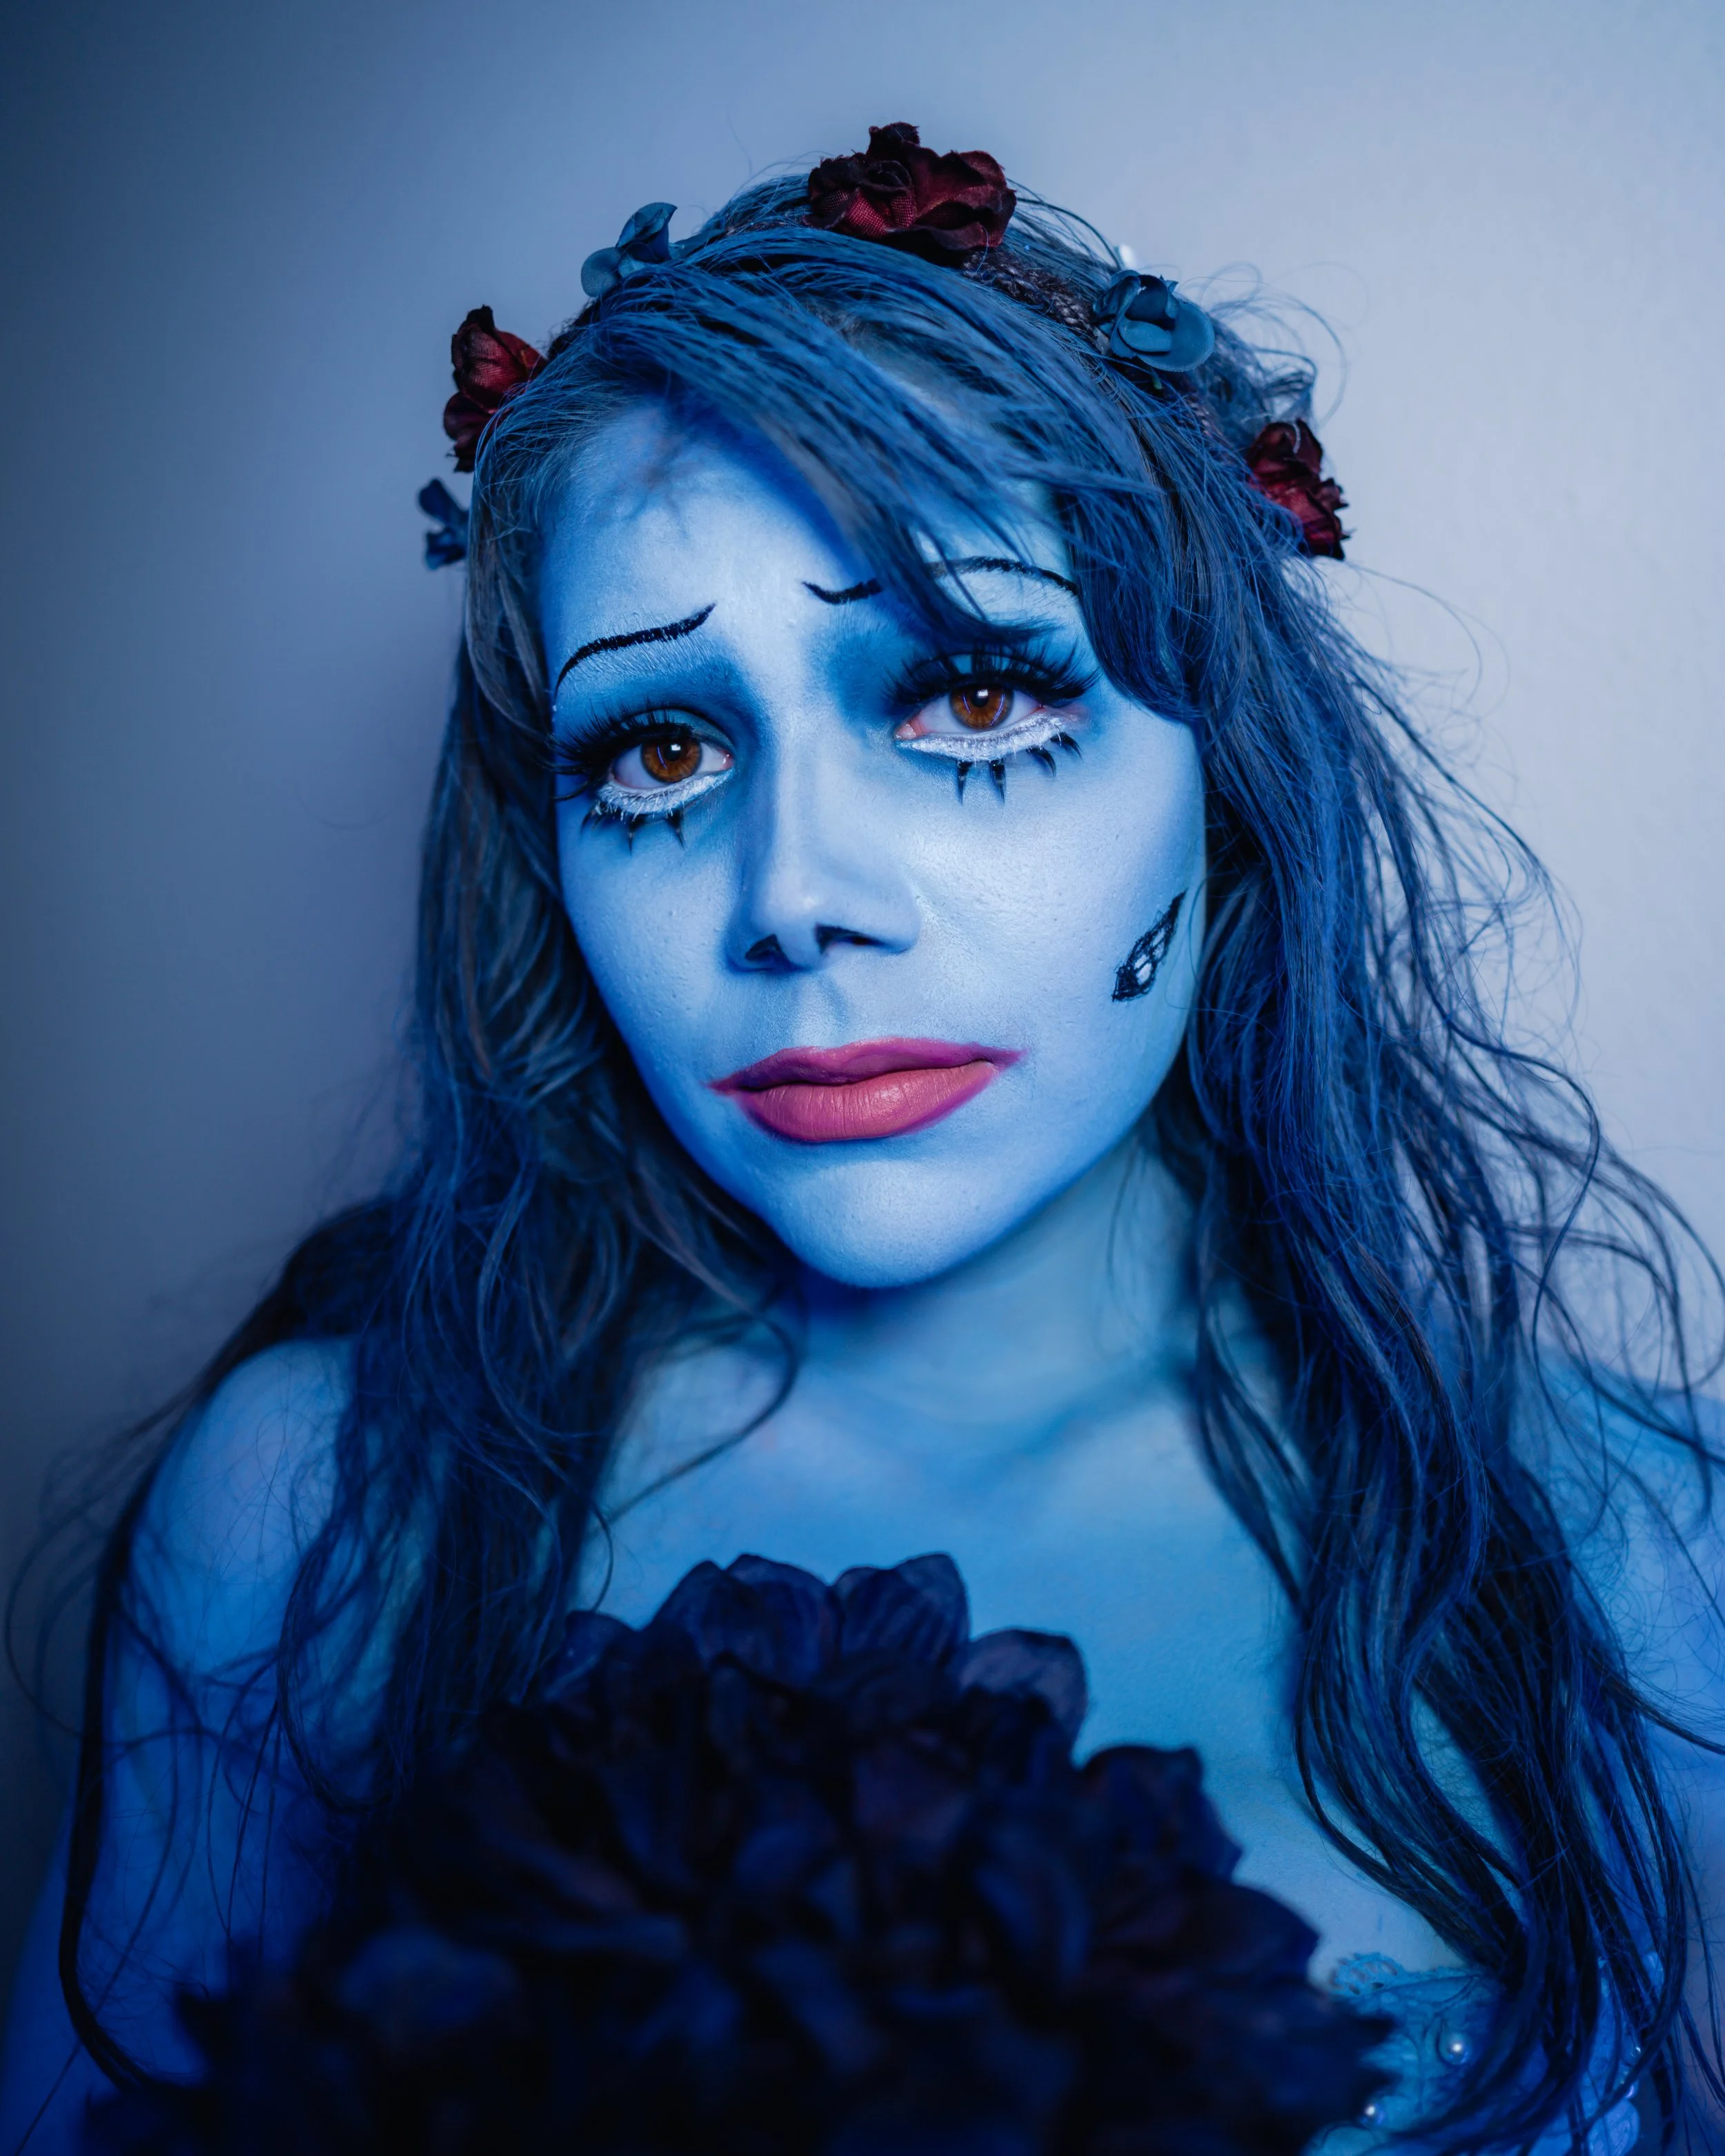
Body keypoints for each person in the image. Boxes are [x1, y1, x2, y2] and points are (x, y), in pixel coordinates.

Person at [2, 121, 1721, 2154]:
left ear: (1228, 789)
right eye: (656, 747)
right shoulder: (319, 1506)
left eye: (973, 698)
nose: (792, 894)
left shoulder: (1635, 1543)